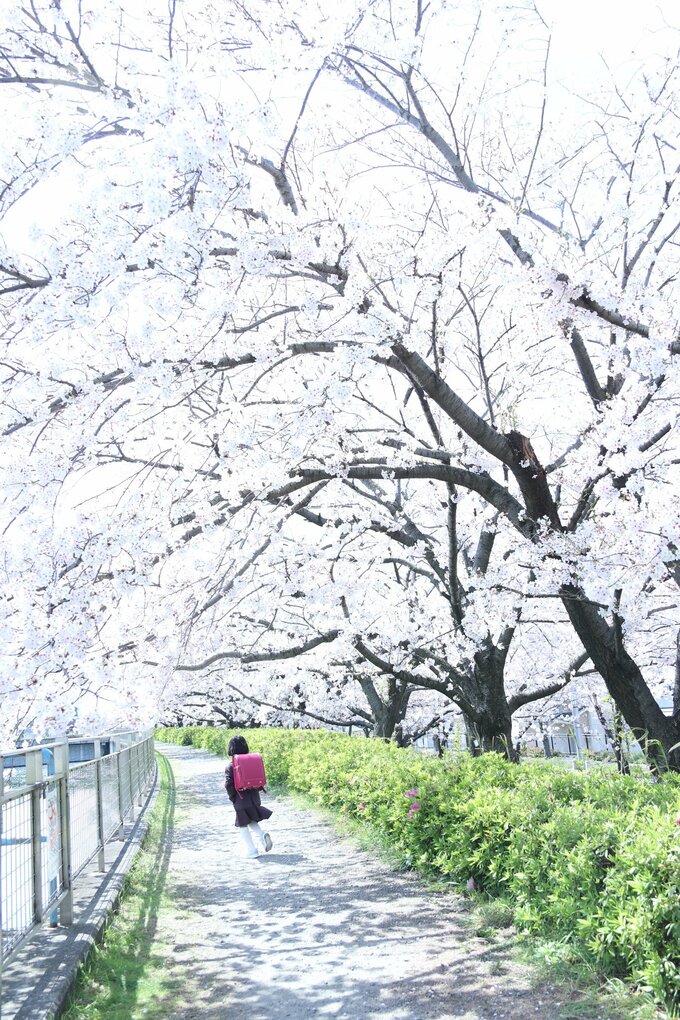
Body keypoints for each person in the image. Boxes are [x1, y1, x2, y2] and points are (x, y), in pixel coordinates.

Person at [224, 735, 273, 858]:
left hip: (240, 799)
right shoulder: (252, 761)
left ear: (231, 748)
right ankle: (262, 835)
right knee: (250, 819)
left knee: (242, 825)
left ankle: (252, 850)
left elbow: (228, 785)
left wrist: (232, 798)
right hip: (254, 797)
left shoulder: (231, 766)